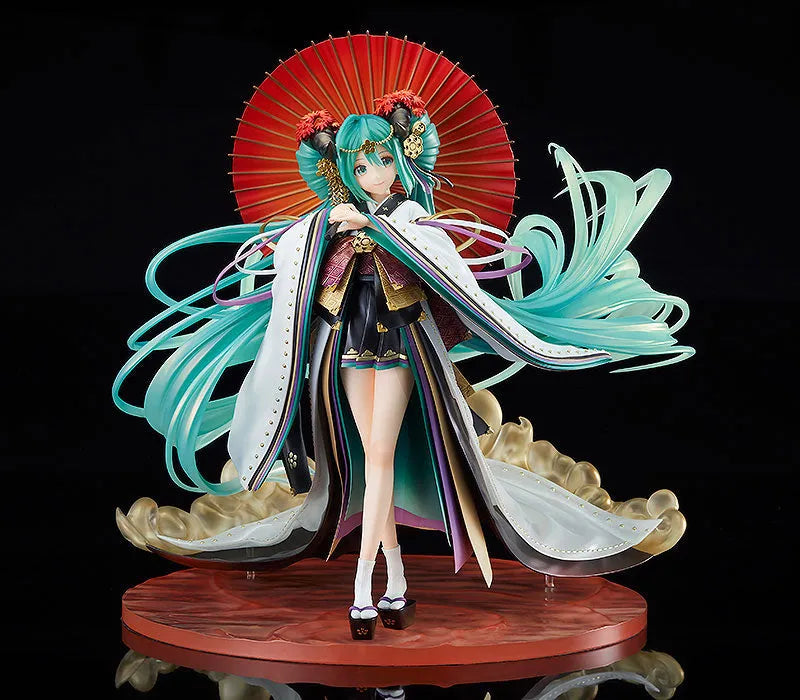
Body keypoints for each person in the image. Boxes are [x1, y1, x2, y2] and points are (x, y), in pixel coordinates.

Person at [113, 45, 693, 642]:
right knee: (368, 460)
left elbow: (434, 260)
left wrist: (375, 225)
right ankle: (395, 582)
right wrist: (326, 223)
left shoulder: (411, 215)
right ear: (344, 171)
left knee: (382, 457)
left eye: (383, 160)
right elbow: (296, 268)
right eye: (361, 166)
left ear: (400, 158)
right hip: (344, 349)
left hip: (398, 345)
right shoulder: (330, 220)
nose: (374, 175)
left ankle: (362, 590)